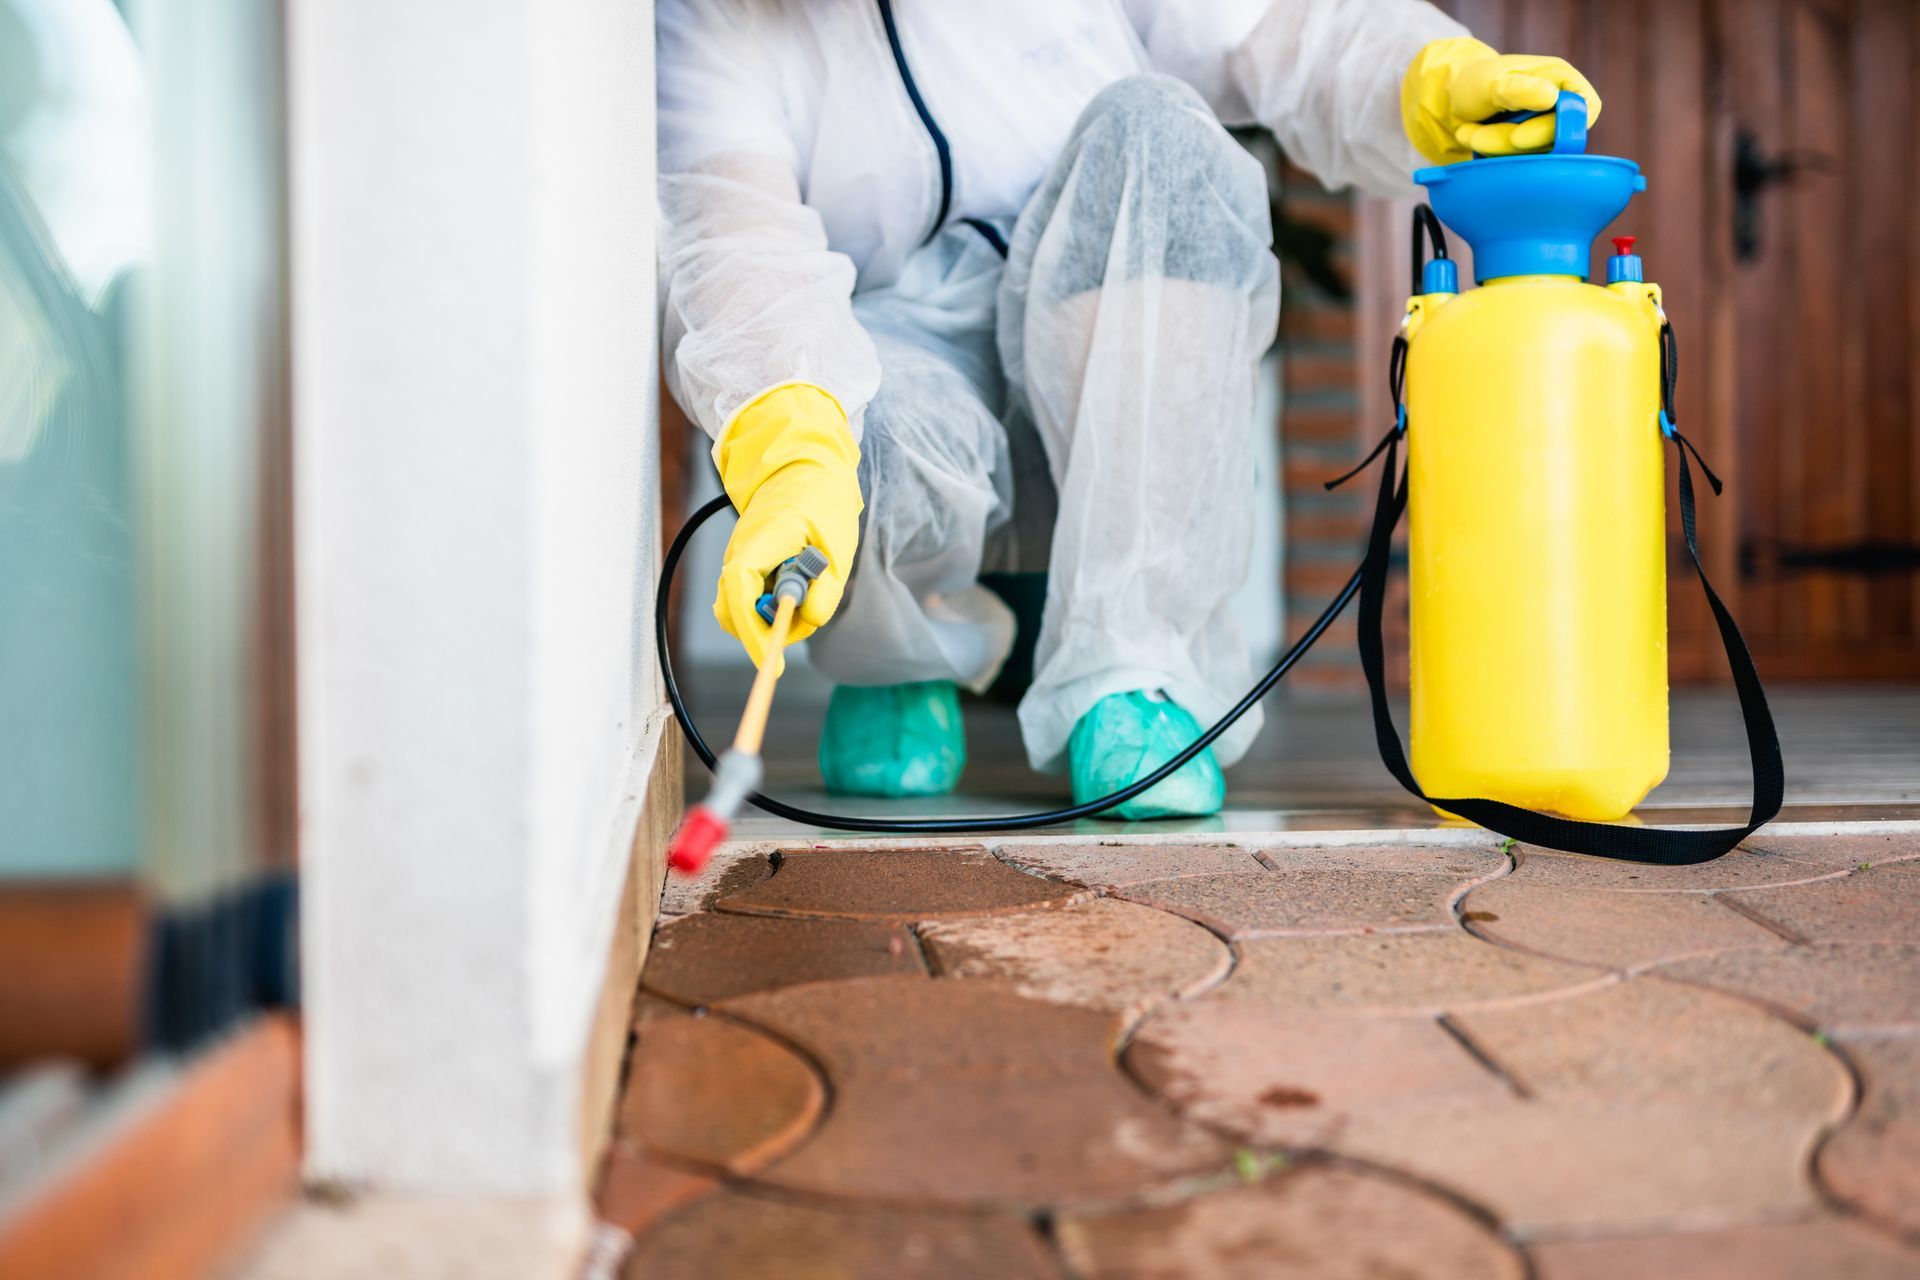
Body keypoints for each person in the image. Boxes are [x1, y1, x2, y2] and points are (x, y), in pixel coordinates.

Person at [658, 2, 1599, 818]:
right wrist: (791, 441)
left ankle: (1133, 671)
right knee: (832, 413)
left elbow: (1281, 27)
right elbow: (736, 237)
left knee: (1160, 134)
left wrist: (1420, 77)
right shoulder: (713, 20)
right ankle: (896, 663)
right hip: (906, 358)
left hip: (1107, 317)